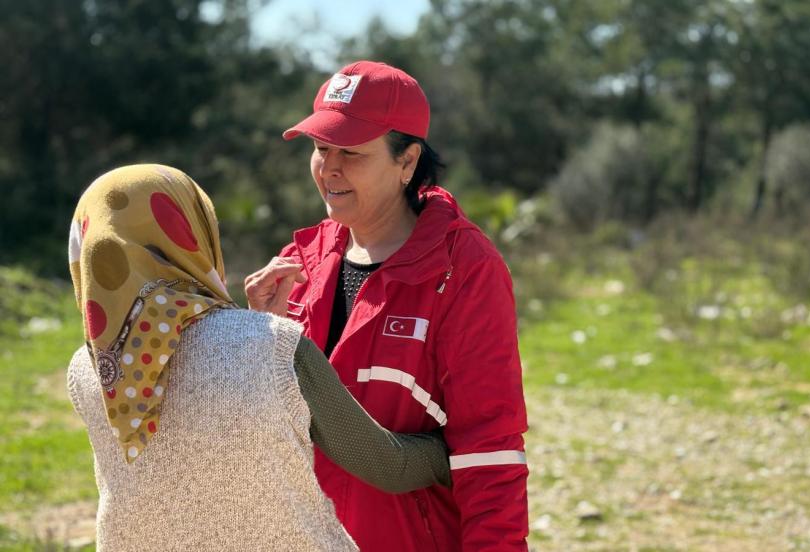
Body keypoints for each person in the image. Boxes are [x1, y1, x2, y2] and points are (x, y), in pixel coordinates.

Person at [66, 164, 451, 551]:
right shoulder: (272, 347)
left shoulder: (89, 371)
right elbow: (386, 464)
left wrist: (256, 327)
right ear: (195, 235)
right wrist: (462, 451)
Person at [245, 60, 529, 551]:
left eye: (351, 152)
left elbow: (489, 450)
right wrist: (256, 336)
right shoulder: (298, 262)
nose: (329, 168)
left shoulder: (465, 269)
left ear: (407, 161)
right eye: (321, 148)